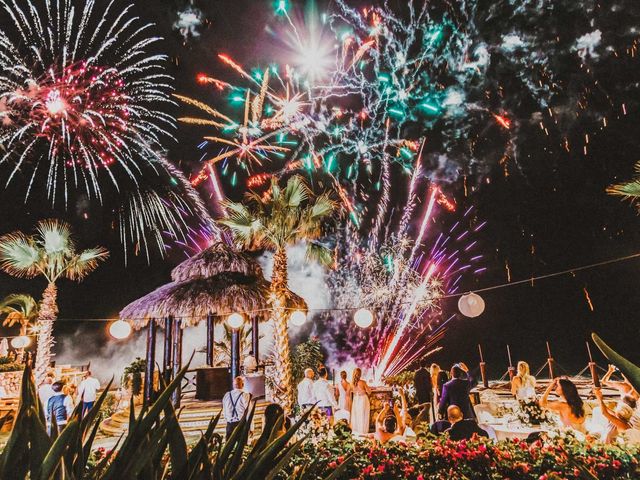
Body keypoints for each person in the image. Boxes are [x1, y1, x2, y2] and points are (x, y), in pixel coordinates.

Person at [350, 367, 371, 435]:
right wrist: (367, 389)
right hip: (363, 399)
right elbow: (369, 392)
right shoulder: (363, 382)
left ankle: (357, 431)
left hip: (356, 400)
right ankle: (363, 431)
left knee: (357, 415)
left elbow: (353, 392)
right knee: (364, 415)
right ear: (360, 374)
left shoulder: (351, 384)